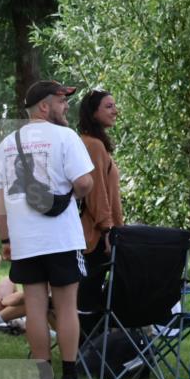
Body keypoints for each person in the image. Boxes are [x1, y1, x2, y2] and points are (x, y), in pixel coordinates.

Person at [0, 80, 94, 379]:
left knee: (34, 308)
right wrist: (71, 194)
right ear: (45, 106)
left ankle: (42, 377)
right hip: (61, 238)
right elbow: (86, 182)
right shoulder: (65, 137)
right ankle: (71, 376)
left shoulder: (7, 143)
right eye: (62, 102)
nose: (66, 108)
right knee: (65, 307)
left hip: (24, 240)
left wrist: (6, 240)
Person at [76, 90, 125, 314]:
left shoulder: (93, 143)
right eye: (108, 106)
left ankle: (90, 345)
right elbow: (97, 193)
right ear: (93, 112)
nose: (115, 110)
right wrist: (108, 230)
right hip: (95, 235)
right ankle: (87, 346)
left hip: (96, 232)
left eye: (114, 105)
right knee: (89, 298)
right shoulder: (93, 145)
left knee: (90, 295)